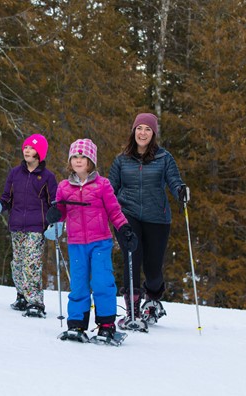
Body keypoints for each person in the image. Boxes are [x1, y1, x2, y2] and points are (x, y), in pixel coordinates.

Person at [46, 138, 138, 344]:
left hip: (100, 242)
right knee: (78, 284)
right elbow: (60, 211)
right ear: (70, 161)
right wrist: (54, 214)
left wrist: (125, 230)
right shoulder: (64, 187)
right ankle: (77, 324)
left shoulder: (102, 185)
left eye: (83, 157)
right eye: (75, 157)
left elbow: (114, 211)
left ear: (91, 161)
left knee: (102, 282)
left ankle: (106, 325)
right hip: (76, 244)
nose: (78, 161)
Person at [108, 113, 188, 331]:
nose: (142, 133)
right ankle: (132, 311)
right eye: (139, 128)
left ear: (153, 134)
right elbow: (110, 188)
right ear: (133, 131)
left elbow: (174, 181)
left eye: (147, 129)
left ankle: (152, 298)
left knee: (153, 268)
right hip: (127, 214)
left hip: (157, 218)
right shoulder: (121, 160)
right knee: (132, 257)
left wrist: (180, 191)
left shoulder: (164, 158)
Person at [0, 134, 58, 318]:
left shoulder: (48, 177)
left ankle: (35, 302)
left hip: (37, 227)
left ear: (39, 153)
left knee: (31, 264)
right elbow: (6, 199)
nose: (27, 150)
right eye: (25, 147)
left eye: (31, 148)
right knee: (17, 263)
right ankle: (22, 296)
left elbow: (54, 203)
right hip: (16, 225)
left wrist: (55, 223)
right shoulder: (15, 173)